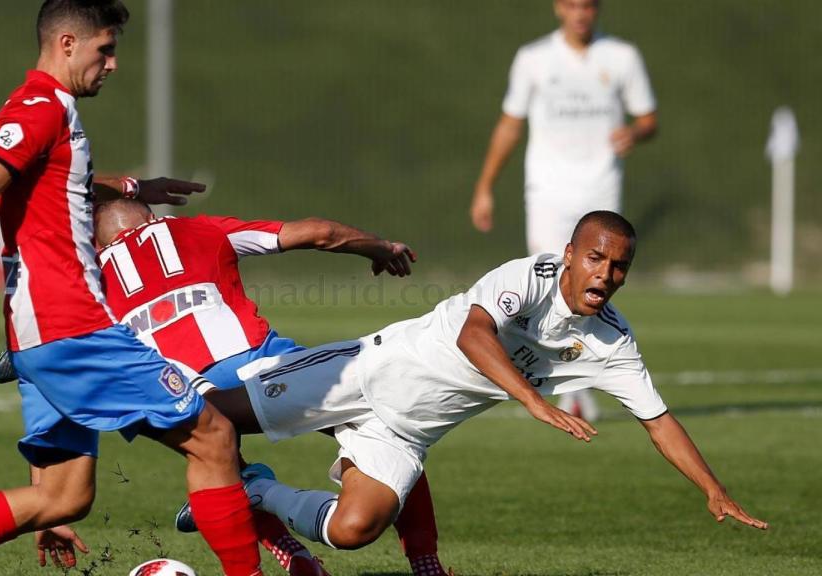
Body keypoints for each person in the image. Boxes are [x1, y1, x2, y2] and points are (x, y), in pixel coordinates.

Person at [0, 2, 264, 575]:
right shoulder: (42, 105)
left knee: (62, 498)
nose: (113, 63)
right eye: (105, 48)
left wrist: (135, 185)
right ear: (67, 43)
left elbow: (56, 173)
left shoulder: (47, 110)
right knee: (214, 437)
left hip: (40, 336)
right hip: (72, 326)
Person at [204, 211, 768, 554]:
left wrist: (712, 489)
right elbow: (474, 335)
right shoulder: (531, 275)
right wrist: (532, 401)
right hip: (366, 372)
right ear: (569, 255)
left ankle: (257, 492)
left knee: (355, 528)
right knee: (207, 418)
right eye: (595, 257)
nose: (606, 273)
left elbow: (659, 420)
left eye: (619, 266)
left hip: (407, 433)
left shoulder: (613, 342)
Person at [0, 198, 453, 575]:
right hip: (270, 368)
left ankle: (289, 552)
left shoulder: (89, 280)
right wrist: (377, 247)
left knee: (220, 461)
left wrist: (44, 499)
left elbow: (48, 372)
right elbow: (316, 232)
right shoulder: (199, 230)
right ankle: (425, 561)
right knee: (385, 419)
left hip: (191, 397)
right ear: (154, 218)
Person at [469, 0, 659, 421]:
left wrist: (635, 132)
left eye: (588, 5)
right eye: (572, 4)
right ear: (559, 8)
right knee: (552, 283)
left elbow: (649, 118)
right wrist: (485, 188)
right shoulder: (533, 58)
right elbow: (510, 123)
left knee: (591, 287)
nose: (580, 12)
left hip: (599, 190)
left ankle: (574, 385)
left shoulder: (622, 57)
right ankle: (542, 379)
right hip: (547, 190)